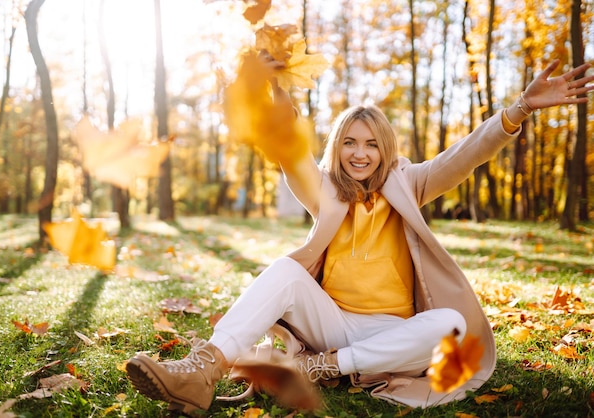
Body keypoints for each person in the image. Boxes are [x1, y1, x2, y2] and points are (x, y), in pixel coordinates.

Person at [126, 59, 594, 413]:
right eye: (350, 142)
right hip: (331, 320)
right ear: (337, 147)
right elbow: (291, 156)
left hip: (393, 331)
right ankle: (202, 369)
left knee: (449, 325)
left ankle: (322, 368)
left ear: (385, 148)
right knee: (286, 270)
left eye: (371, 143)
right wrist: (276, 94)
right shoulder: (326, 189)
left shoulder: (410, 183)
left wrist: (520, 108)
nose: (360, 153)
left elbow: (465, 156)